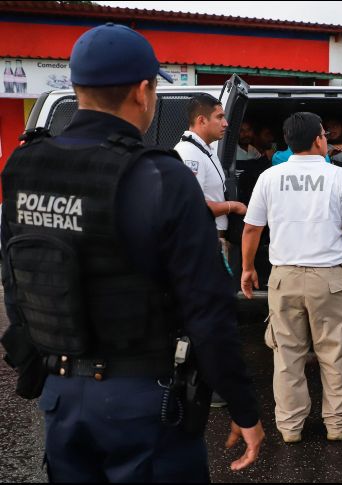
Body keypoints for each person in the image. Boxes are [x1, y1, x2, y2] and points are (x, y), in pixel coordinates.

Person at [0, 23, 264, 482]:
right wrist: (242, 406)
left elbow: (15, 278)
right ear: (143, 92)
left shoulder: (25, 165)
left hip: (60, 396)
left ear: (77, 87)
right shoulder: (161, 176)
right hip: (142, 403)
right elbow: (208, 309)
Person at [241, 112, 342, 444]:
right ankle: (338, 423)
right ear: (318, 139)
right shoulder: (339, 177)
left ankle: (290, 426)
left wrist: (247, 267)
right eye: (324, 134)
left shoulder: (270, 177)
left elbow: (253, 227)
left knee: (286, 355)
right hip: (329, 279)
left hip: (283, 278)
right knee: (335, 352)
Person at [174, 93, 247, 259]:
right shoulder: (189, 152)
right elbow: (193, 206)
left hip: (213, 240)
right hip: (202, 241)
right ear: (201, 120)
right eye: (219, 117)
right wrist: (233, 206)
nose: (225, 123)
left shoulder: (205, 150)